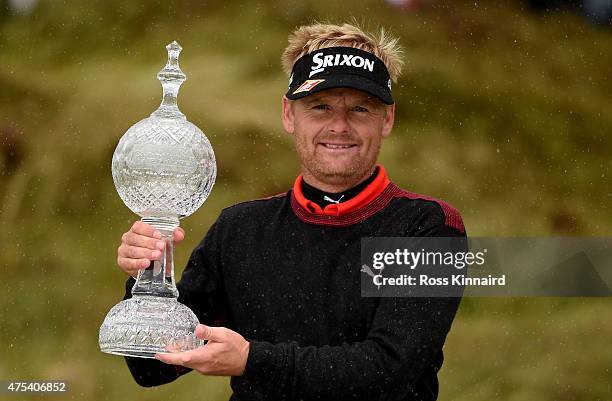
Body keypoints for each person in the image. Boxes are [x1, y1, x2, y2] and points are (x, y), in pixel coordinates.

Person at [116, 22, 466, 401]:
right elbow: (151, 367)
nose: (339, 126)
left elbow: (387, 373)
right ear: (288, 114)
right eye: (320, 106)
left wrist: (253, 360)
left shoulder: (429, 229)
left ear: (387, 120)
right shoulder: (239, 229)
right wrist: (147, 279)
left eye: (360, 108)